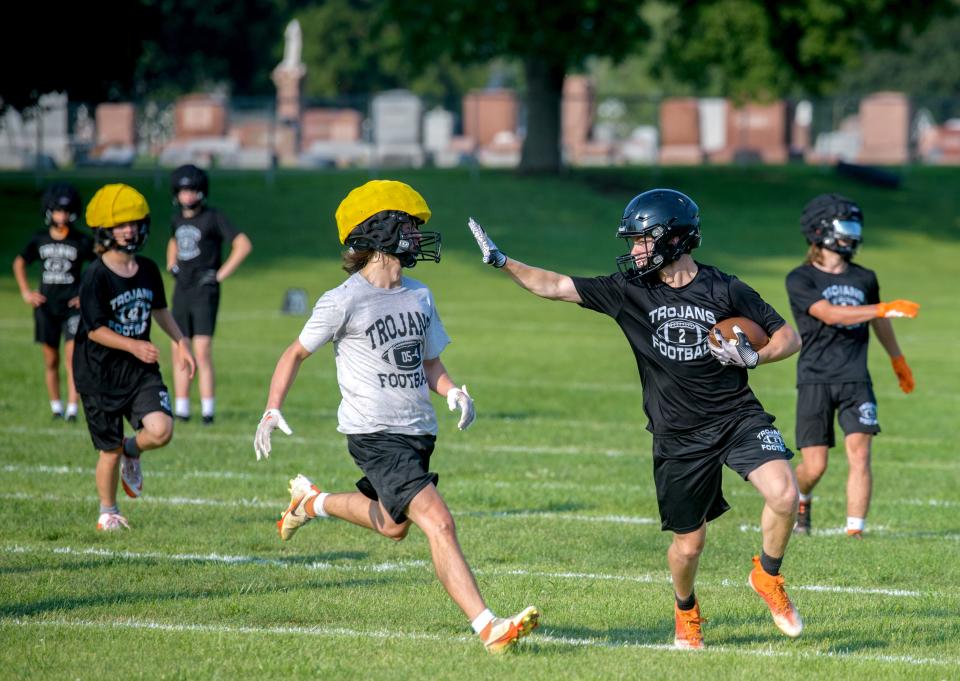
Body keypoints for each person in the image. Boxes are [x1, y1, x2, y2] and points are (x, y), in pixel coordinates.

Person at [468, 189, 804, 650]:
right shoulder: (631, 291)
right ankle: (686, 610)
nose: (633, 251)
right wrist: (504, 261)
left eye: (642, 241)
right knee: (689, 546)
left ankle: (767, 576)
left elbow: (788, 336)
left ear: (673, 239)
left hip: (736, 417)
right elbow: (553, 285)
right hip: (678, 434)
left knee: (786, 493)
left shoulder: (726, 288)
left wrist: (755, 356)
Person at [253, 180, 539, 653]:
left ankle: (310, 502)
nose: (416, 234)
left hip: (416, 432)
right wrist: (272, 407)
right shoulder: (343, 299)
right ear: (379, 231)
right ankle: (489, 627)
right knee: (438, 522)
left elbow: (429, 362)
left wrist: (452, 392)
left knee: (393, 525)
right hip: (373, 433)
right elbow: (294, 353)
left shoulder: (420, 294)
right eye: (408, 224)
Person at [786, 193, 919, 538]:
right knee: (815, 466)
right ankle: (801, 496)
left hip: (856, 378)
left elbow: (881, 323)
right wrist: (881, 308)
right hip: (815, 378)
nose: (852, 234)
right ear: (819, 231)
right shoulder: (800, 279)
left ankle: (854, 532)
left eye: (855, 226)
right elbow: (828, 314)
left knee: (860, 453)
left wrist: (897, 360)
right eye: (845, 227)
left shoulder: (865, 278)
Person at [74, 183, 196, 531]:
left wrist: (181, 343)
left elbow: (160, 309)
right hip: (98, 373)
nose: (129, 229)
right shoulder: (96, 275)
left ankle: (133, 448)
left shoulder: (147, 268)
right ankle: (108, 511)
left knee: (161, 430)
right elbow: (95, 329)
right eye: (121, 224)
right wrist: (134, 345)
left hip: (139, 370)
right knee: (107, 450)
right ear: (105, 229)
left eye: (134, 222)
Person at [166, 164, 252, 425]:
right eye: (183, 191)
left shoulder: (213, 217)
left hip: (205, 291)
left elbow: (243, 244)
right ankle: (181, 409)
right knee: (179, 348)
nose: (187, 195)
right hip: (181, 289)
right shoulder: (177, 219)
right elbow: (173, 241)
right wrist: (171, 264)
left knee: (201, 351)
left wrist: (220, 274)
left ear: (201, 191)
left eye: (192, 190)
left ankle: (207, 410)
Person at [12, 183, 95, 422]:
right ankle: (56, 406)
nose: (62, 215)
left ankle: (72, 409)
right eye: (58, 210)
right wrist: (26, 292)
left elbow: (98, 267)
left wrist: (85, 295)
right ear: (49, 211)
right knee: (51, 359)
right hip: (46, 308)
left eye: (66, 211)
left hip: (72, 309)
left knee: (72, 358)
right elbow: (19, 263)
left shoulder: (81, 240)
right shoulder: (39, 238)